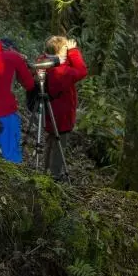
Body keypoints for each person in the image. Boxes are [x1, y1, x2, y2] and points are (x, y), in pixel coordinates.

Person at [41, 36, 88, 180]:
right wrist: (74, 52)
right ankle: (55, 175)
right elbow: (82, 71)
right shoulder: (62, 72)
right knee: (59, 144)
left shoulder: (44, 62)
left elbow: (60, 62)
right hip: (62, 115)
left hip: (49, 111)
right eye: (65, 49)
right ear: (60, 53)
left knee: (50, 141)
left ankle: (45, 170)